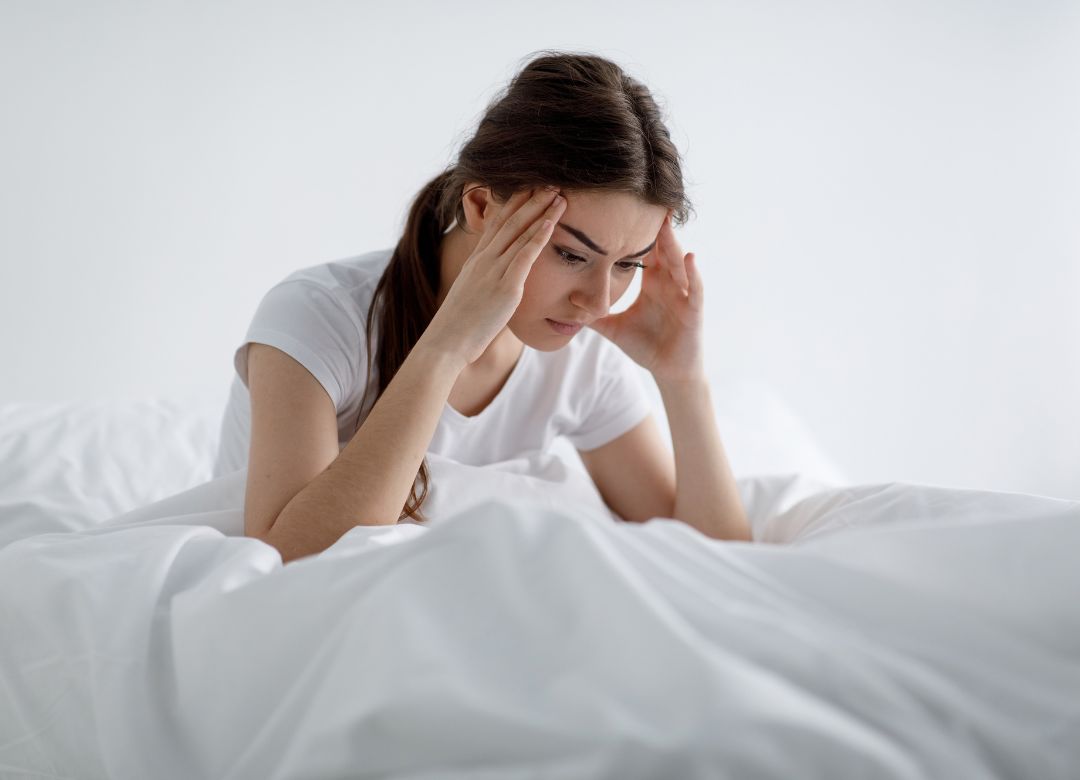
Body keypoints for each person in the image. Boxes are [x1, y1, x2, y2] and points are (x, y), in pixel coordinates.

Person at [214, 50, 751, 563]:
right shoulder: (320, 316)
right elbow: (284, 560)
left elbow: (717, 564)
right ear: (479, 205)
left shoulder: (583, 360)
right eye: (570, 254)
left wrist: (683, 382)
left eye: (628, 264)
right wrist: (446, 348)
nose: (598, 301)